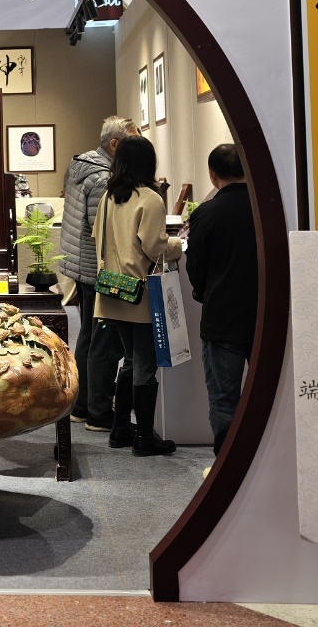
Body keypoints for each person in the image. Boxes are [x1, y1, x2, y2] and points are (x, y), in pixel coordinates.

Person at [89, 135, 183, 455]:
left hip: (113, 288)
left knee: (129, 359)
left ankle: (120, 430)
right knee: (146, 364)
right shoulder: (150, 199)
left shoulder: (109, 196)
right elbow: (153, 247)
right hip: (140, 290)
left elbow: (96, 238)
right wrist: (177, 246)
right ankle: (144, 436)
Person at [58, 116, 140, 424]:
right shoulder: (102, 178)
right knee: (105, 341)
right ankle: (98, 411)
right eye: (135, 139)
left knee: (91, 337)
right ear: (115, 144)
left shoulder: (83, 166)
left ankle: (82, 406)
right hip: (99, 268)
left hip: (82, 265)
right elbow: (102, 230)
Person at [185, 144, 257, 456]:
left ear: (213, 176)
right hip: (267, 318)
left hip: (222, 316)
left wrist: (203, 294)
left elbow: (196, 267)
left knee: (224, 398)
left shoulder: (207, 212)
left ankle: (227, 464)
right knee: (266, 394)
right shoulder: (268, 209)